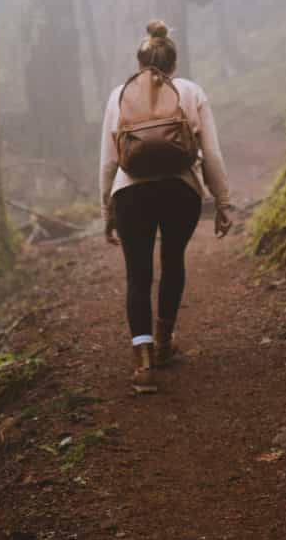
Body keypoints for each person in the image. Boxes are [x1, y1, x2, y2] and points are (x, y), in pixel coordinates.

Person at [100, 20, 233, 393]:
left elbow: (109, 160)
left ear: (140, 61)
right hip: (181, 190)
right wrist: (222, 202)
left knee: (137, 275)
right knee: (173, 261)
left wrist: (106, 210)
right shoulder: (190, 91)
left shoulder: (118, 95)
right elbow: (212, 155)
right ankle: (164, 342)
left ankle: (142, 364)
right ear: (174, 61)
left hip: (130, 194)